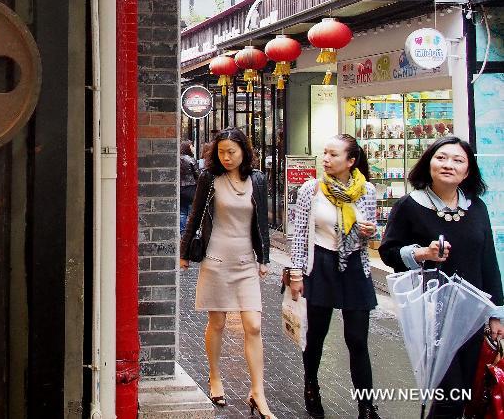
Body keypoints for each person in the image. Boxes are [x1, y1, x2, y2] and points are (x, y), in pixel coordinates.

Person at [379, 136, 504, 419]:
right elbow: (388, 252)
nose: (449, 165)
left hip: (472, 316)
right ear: (429, 163)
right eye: (441, 157)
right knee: (450, 396)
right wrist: (423, 253)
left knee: (465, 395)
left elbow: (488, 262)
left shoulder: (477, 208)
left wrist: (496, 314)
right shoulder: (409, 205)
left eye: (458, 160)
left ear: (468, 170)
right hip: (431, 316)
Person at [179, 128, 273, 418]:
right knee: (217, 321)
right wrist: (184, 253)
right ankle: (215, 376)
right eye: (221, 152)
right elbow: (195, 215)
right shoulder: (209, 178)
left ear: (244, 151)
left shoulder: (256, 179)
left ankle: (258, 391)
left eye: (232, 151)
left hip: (245, 261)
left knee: (253, 325)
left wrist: (264, 257)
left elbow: (262, 222)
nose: (227, 157)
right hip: (215, 259)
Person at [287, 134, 381, 419]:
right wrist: (295, 273)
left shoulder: (366, 190)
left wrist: (370, 232)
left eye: (333, 155)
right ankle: (311, 385)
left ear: (351, 161)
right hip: (321, 264)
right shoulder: (311, 189)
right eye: (324, 153)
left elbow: (373, 233)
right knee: (316, 336)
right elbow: (299, 234)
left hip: (355, 266)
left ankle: (366, 405)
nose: (325, 159)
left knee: (357, 339)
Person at [179, 140, 199, 232]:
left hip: (180, 188)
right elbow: (197, 174)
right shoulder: (190, 159)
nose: (193, 148)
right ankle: (191, 231)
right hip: (190, 188)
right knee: (192, 211)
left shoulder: (177, 159)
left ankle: (182, 232)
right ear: (188, 147)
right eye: (192, 146)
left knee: (182, 212)